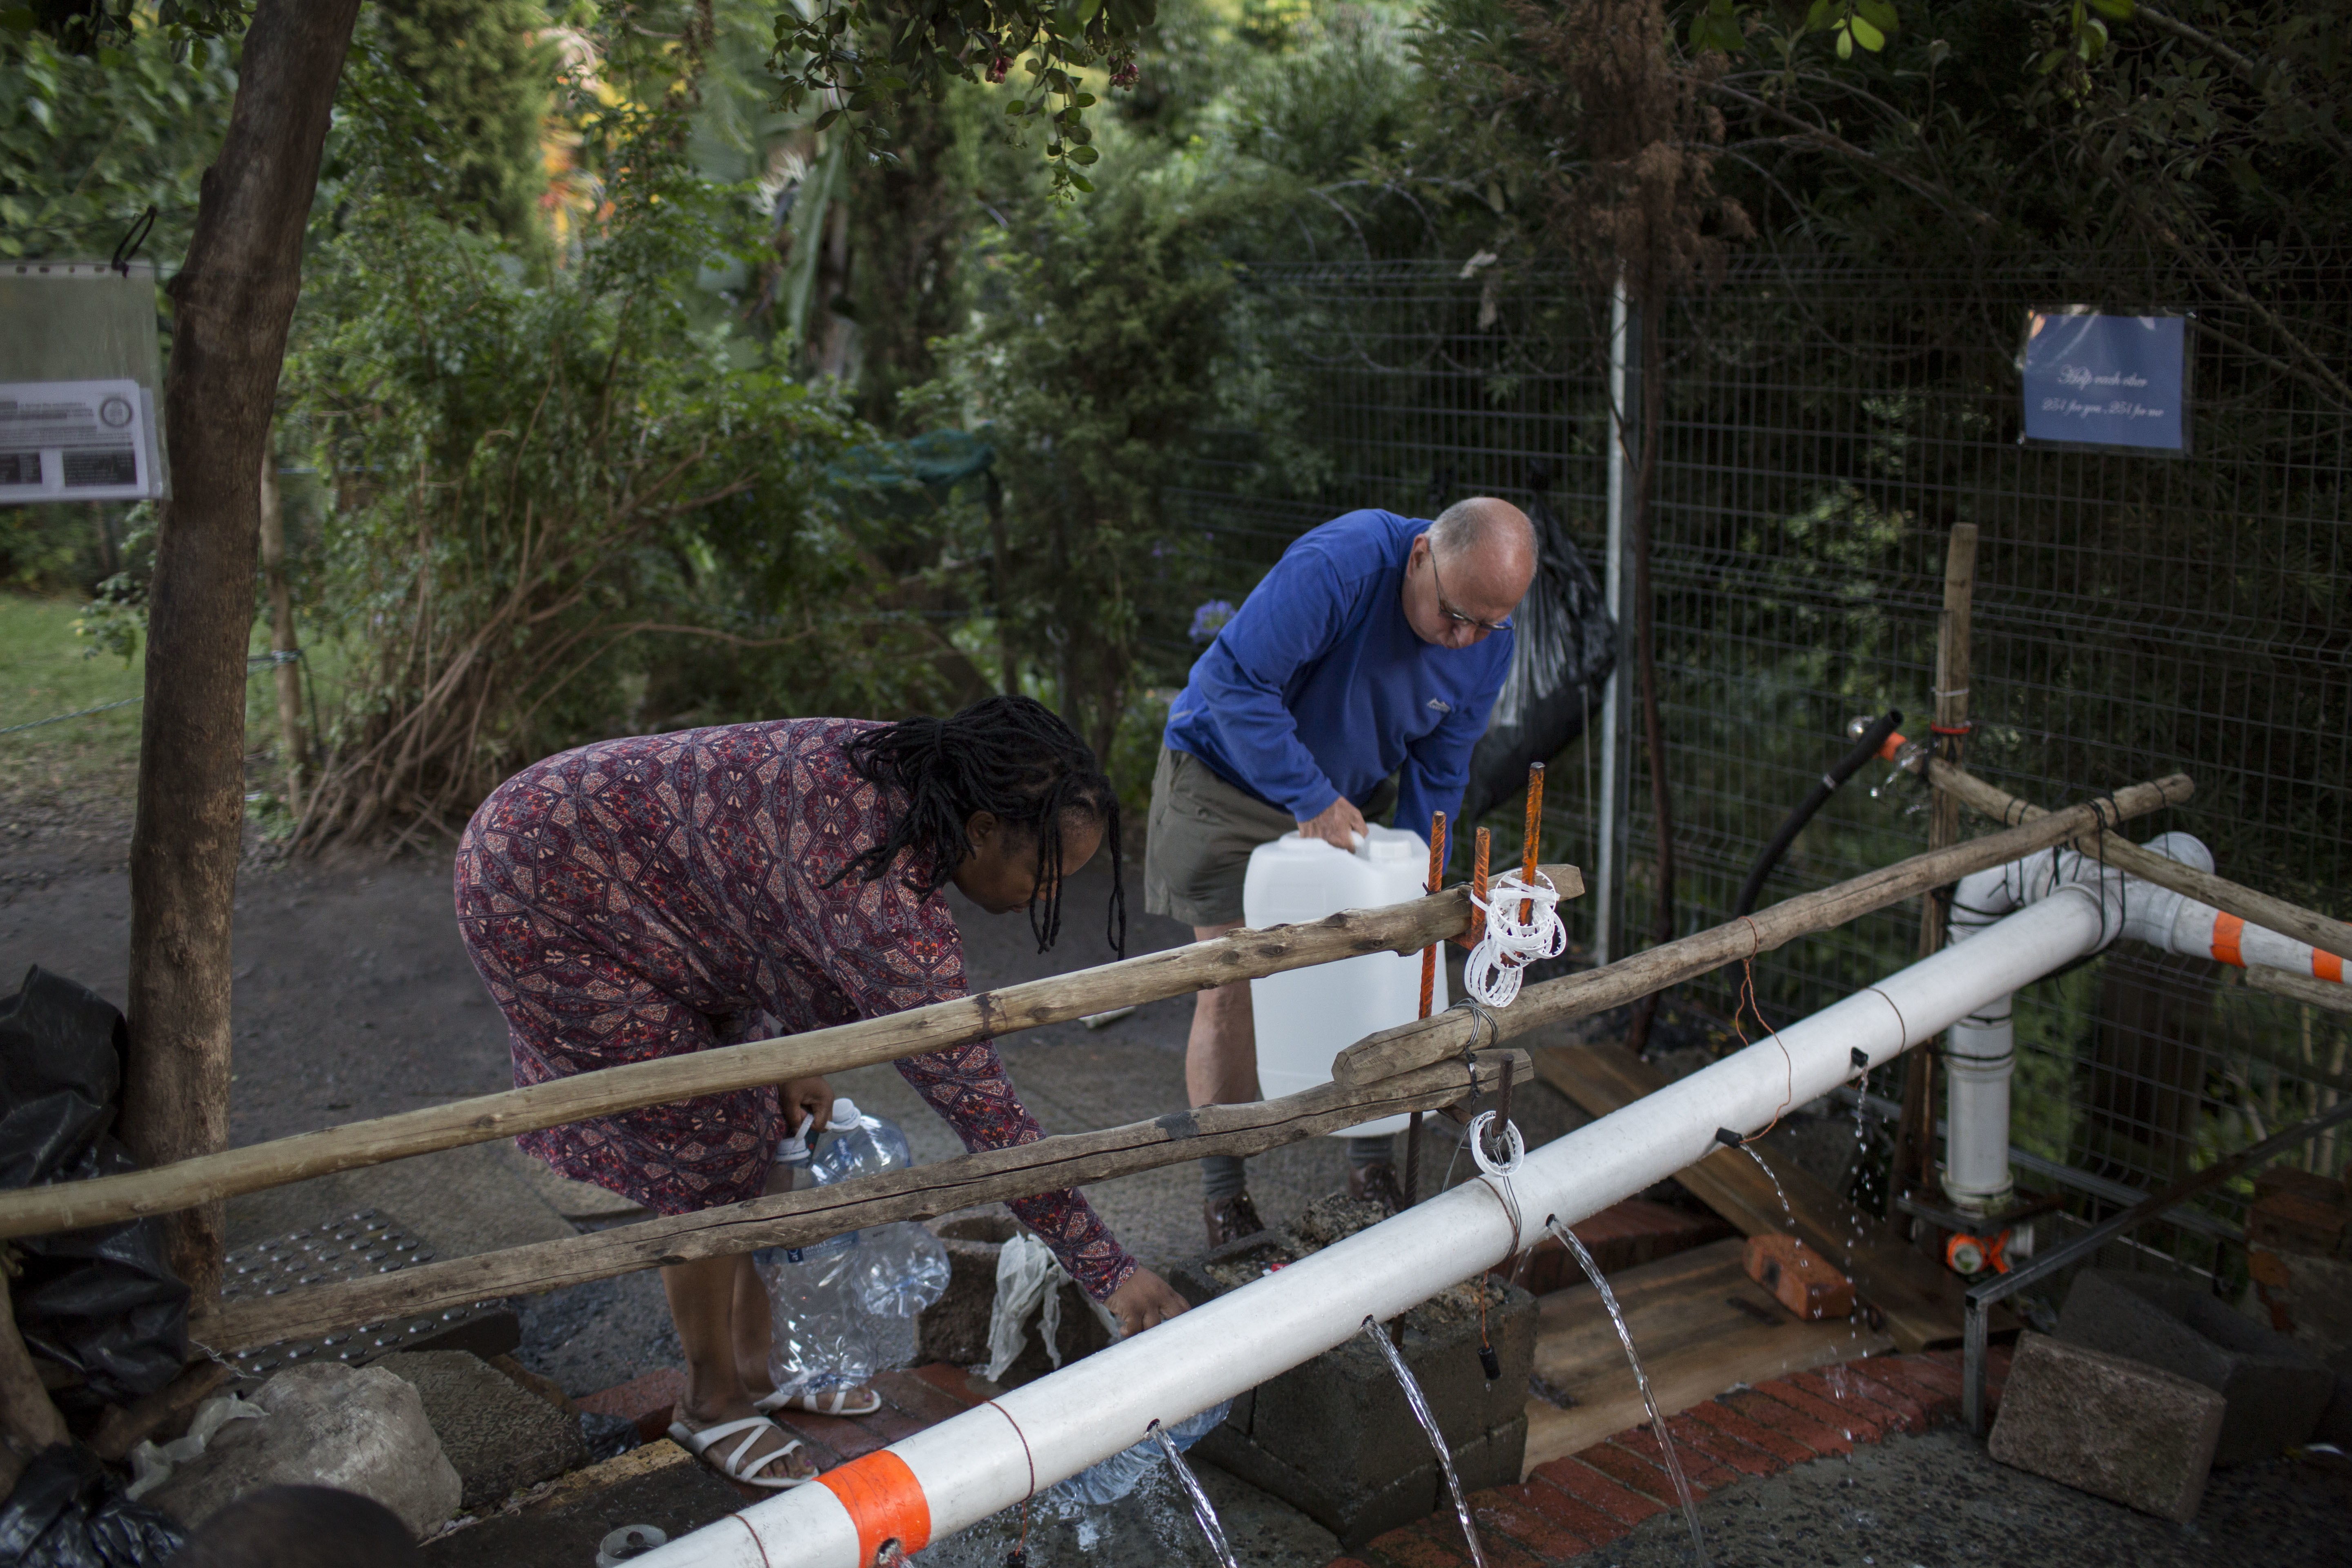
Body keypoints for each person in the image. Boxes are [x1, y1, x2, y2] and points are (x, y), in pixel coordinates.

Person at [455, 696, 1189, 1490]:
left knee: (752, 1116)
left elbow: (752, 886)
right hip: (543, 895)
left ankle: (758, 1365)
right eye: (1042, 871)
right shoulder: (886, 908)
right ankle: (712, 1403)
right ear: (979, 829)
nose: (1046, 897)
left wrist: (783, 1052)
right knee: (702, 1149)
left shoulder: (907, 777)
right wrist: (1108, 1268)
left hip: (616, 866)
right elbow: (988, 1117)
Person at [1145, 498, 1537, 1246]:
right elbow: (1231, 682)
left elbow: (1441, 768)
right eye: (1457, 615)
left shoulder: (1488, 634)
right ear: (1422, 554)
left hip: (1343, 799)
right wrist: (1310, 796)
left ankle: (1370, 1164)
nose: (1465, 640)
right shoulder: (1343, 565)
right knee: (1231, 983)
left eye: (1488, 625)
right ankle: (1225, 1194)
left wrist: (1434, 887)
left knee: (1382, 961)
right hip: (1228, 776)